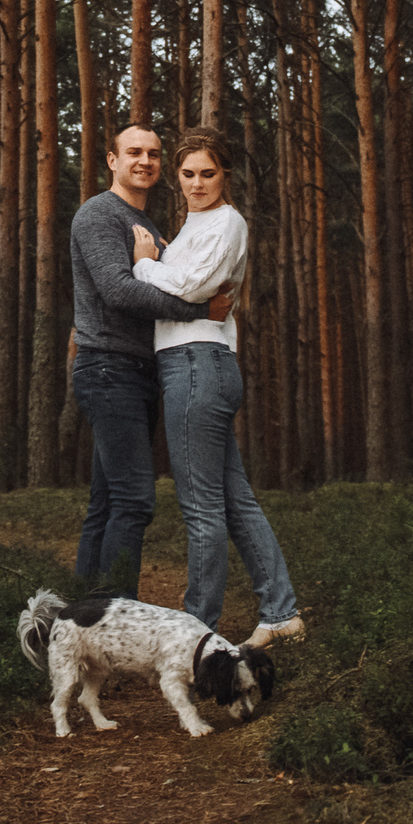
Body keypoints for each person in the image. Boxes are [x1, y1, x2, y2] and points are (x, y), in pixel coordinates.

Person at [130, 128, 303, 649]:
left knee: (201, 508)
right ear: (177, 177)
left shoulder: (228, 222)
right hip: (197, 365)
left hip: (197, 365)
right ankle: (281, 613)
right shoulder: (191, 227)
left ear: (225, 174)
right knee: (234, 500)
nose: (197, 183)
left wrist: (144, 264)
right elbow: (185, 282)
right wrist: (161, 257)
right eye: (187, 174)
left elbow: (195, 288)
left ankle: (195, 633)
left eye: (208, 173)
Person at [69, 121, 223, 598]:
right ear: (112, 161)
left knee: (107, 502)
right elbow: (117, 291)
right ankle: (116, 618)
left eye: (155, 154)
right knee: (135, 501)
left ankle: (82, 620)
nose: (146, 161)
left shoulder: (150, 228)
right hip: (107, 368)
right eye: (134, 152)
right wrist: (199, 310)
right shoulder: (98, 214)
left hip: (137, 373)